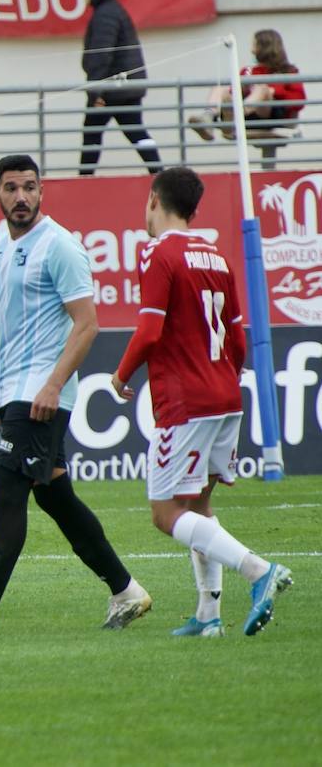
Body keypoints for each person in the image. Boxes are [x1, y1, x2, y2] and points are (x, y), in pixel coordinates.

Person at [0, 154, 151, 636]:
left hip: (40, 394)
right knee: (56, 498)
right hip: (18, 389)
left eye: (29, 187)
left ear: (41, 192)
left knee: (8, 492)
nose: (21, 197)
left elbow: (88, 324)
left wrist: (54, 384)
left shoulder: (60, 246)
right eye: (11, 188)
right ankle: (126, 590)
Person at [110, 167, 293, 637]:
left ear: (154, 200)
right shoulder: (216, 256)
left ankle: (257, 570)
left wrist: (121, 373)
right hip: (224, 395)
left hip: (186, 401)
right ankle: (208, 616)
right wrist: (223, 381)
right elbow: (236, 338)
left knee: (166, 513)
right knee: (198, 505)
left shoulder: (157, 253)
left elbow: (150, 331)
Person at [78, 0, 162, 177]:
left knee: (93, 132)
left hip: (114, 89)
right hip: (123, 88)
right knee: (134, 130)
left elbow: (101, 55)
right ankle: (158, 172)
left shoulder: (105, 15)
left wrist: (95, 92)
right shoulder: (112, 11)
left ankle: (84, 179)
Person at [189, 29, 306, 142]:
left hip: (271, 117)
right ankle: (207, 119)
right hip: (247, 115)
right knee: (220, 90)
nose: (252, 50)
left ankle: (235, 116)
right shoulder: (248, 71)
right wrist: (243, 89)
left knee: (262, 89)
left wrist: (272, 91)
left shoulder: (289, 72)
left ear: (265, 48)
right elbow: (230, 95)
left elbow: (298, 101)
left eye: (254, 45)